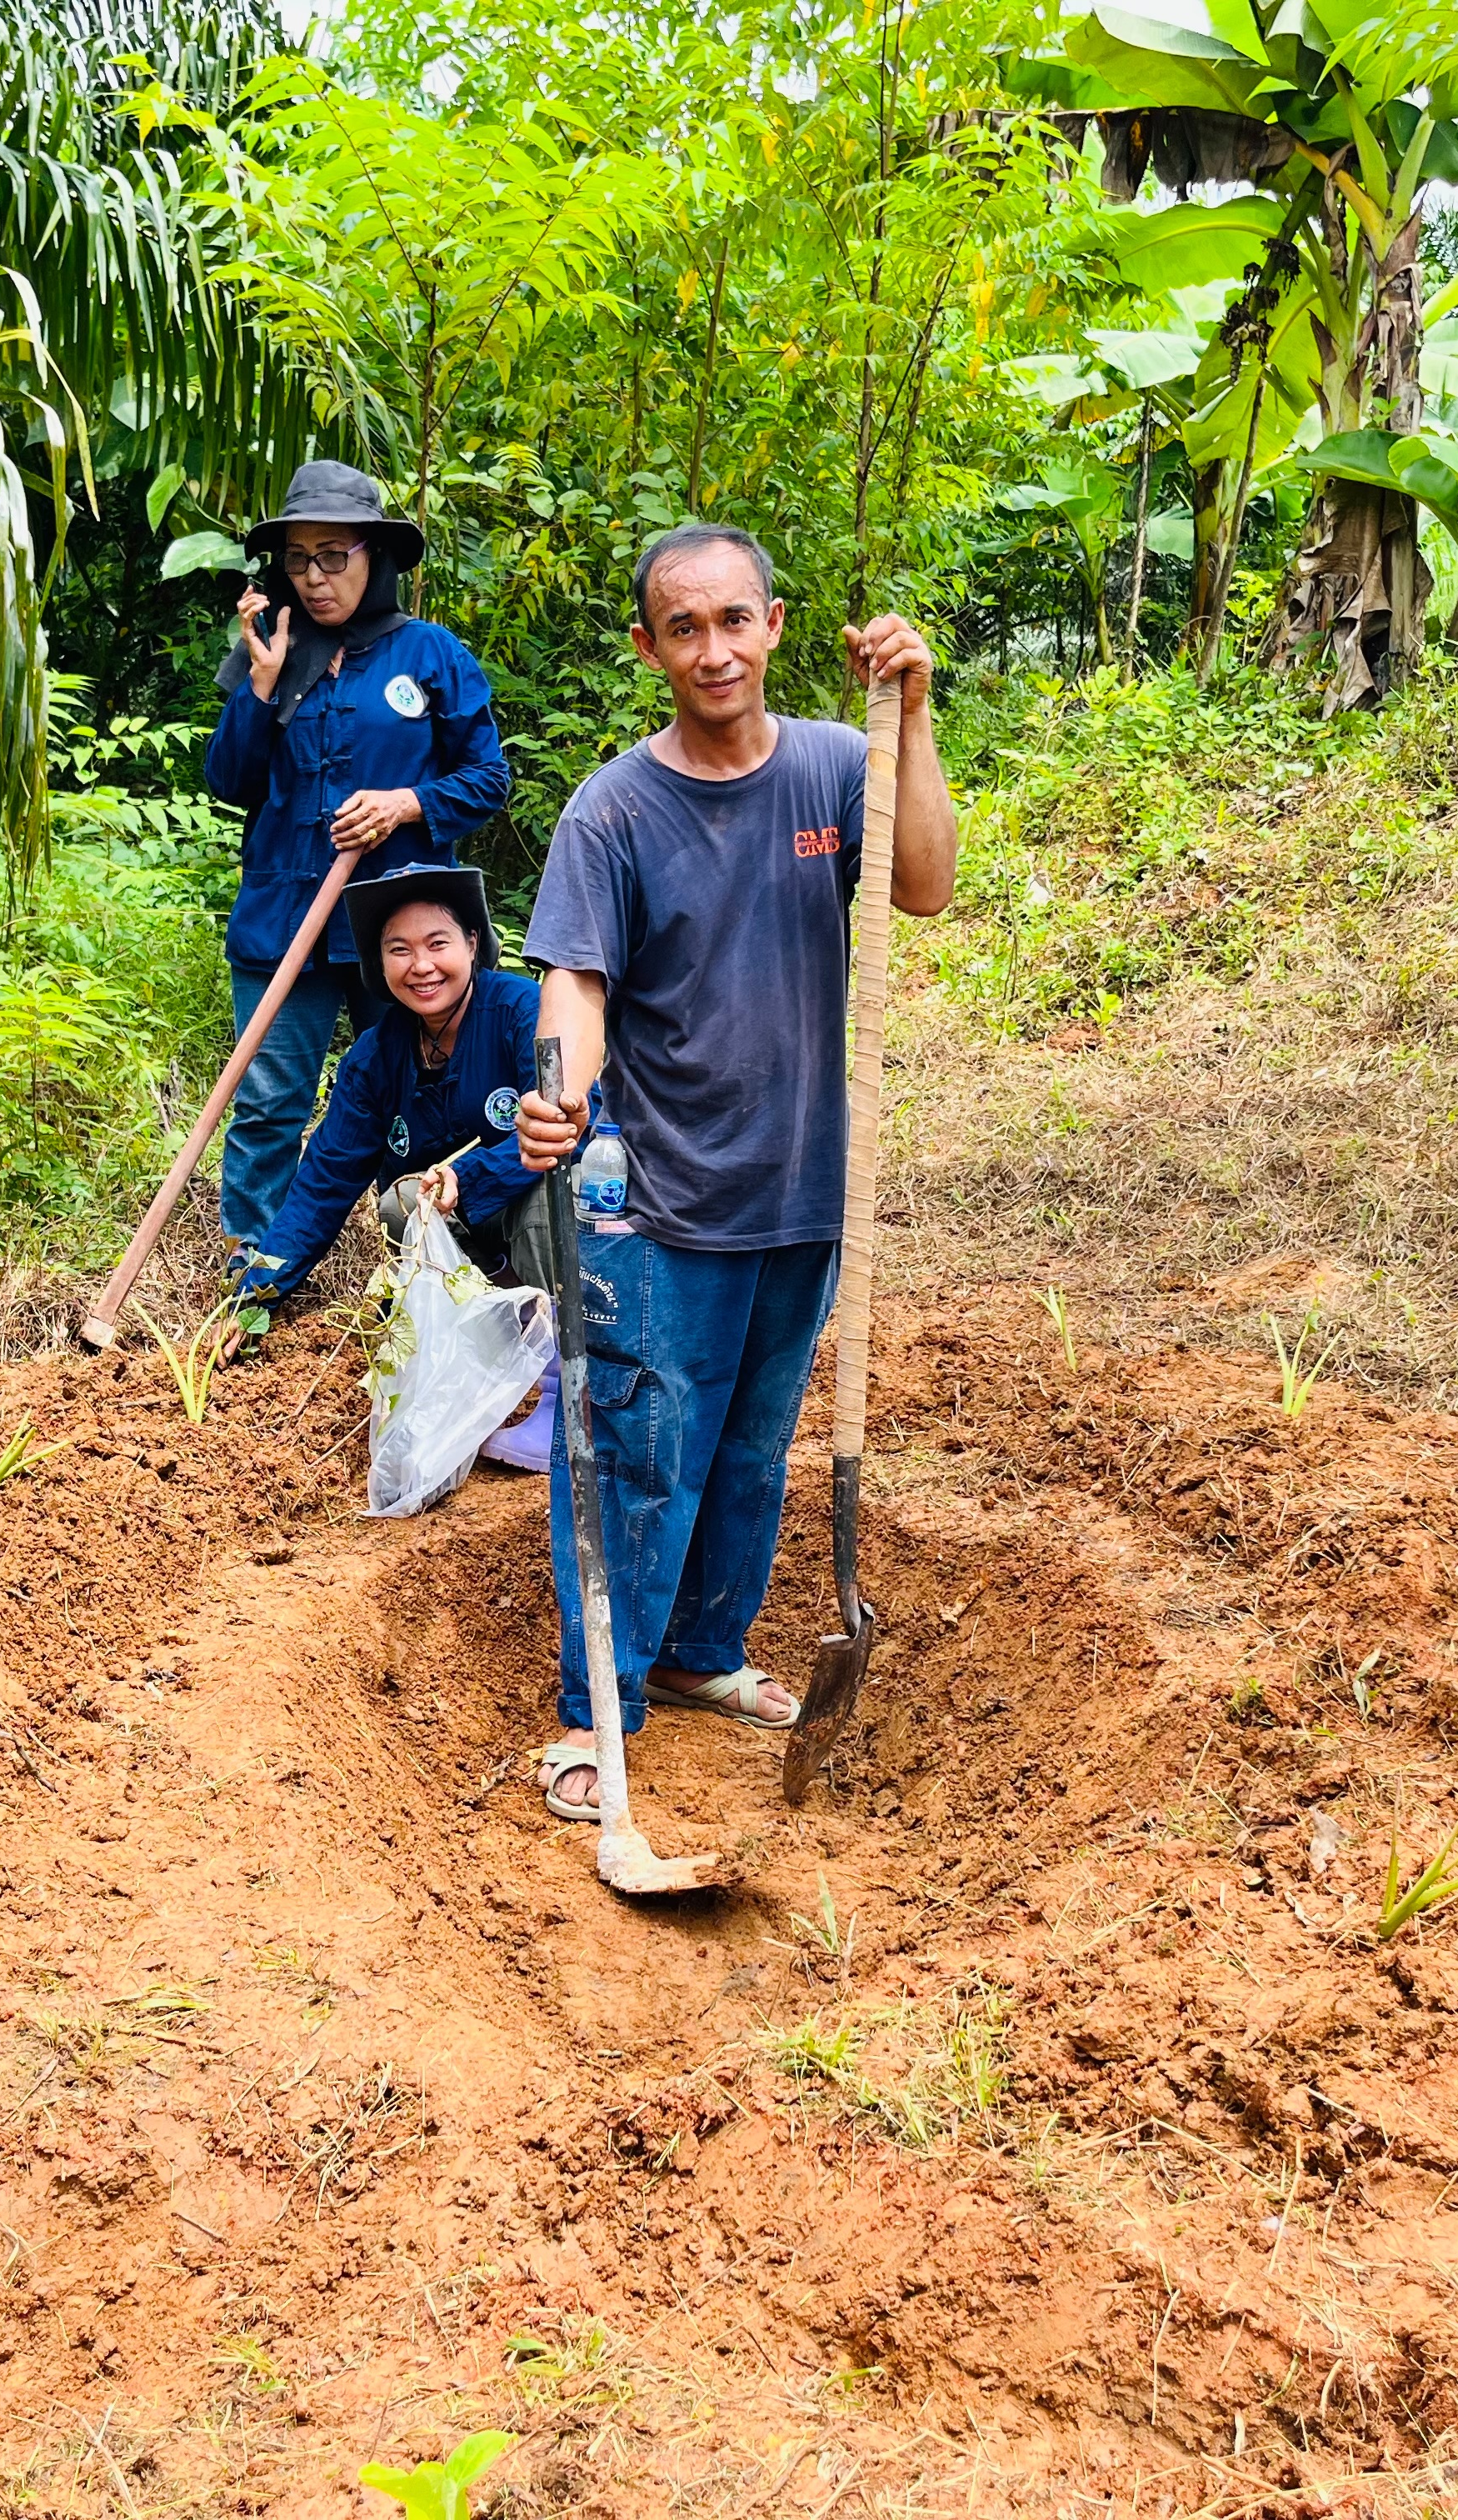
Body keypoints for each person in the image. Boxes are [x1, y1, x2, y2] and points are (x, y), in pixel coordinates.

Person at [512, 523, 958, 1821]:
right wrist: (563, 1087)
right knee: (640, 1449)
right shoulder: (616, 811)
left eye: (736, 621)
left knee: (752, 1450)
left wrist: (911, 722)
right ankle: (597, 1710)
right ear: (651, 647)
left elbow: (923, 887)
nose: (715, 649)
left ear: (771, 624)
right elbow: (577, 979)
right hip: (660, 1193)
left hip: (807, 1188)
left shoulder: (836, 765)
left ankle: (706, 1655)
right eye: (685, 628)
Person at [205, 460, 511, 1261]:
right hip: (283, 925)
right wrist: (261, 688)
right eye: (299, 559)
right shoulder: (271, 648)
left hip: (397, 929)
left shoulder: (431, 655)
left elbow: (488, 780)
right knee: (270, 1101)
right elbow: (230, 782)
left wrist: (408, 803)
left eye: (333, 555)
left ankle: (415, 1253)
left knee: (420, 1098)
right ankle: (258, 1262)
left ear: (374, 555)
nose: (314, 578)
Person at [233, 866, 562, 1470]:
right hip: (478, 1251)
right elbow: (325, 1181)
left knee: (547, 1192)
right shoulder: (378, 1055)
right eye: (398, 950)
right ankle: (473, 1361)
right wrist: (259, 1292)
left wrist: (475, 1176)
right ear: (379, 967)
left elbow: (562, 1124)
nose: (422, 965)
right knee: (399, 1203)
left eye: (438, 944)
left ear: (472, 943)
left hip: (558, 1223)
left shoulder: (521, 1010)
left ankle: (568, 1396)